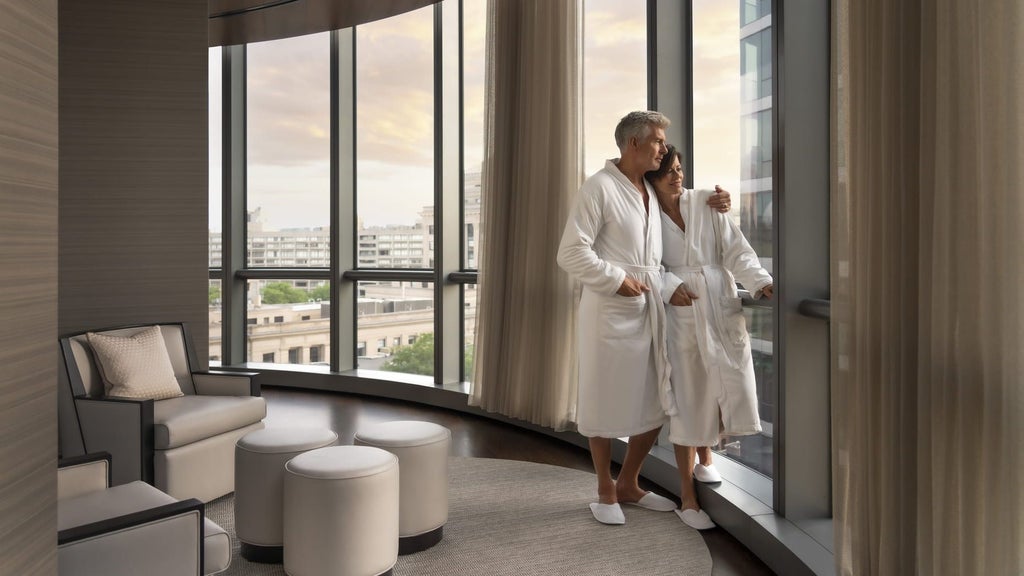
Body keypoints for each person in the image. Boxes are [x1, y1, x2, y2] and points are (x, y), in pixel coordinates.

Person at [557, 112, 730, 525]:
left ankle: (629, 484)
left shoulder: (648, 191)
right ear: (632, 144)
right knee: (601, 400)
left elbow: (658, 255)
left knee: (657, 402)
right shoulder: (599, 188)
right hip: (610, 312)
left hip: (651, 310)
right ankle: (604, 491)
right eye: (656, 140)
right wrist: (616, 280)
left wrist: (671, 287)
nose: (662, 147)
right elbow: (570, 252)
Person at [645, 145, 773, 530]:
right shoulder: (645, 213)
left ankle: (707, 461)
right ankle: (687, 498)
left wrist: (761, 283)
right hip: (681, 311)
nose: (677, 176)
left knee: (722, 382)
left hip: (718, 302)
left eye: (680, 169)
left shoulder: (705, 202)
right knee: (688, 397)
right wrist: (669, 286)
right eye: (668, 170)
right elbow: (648, 265)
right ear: (652, 175)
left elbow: (736, 250)